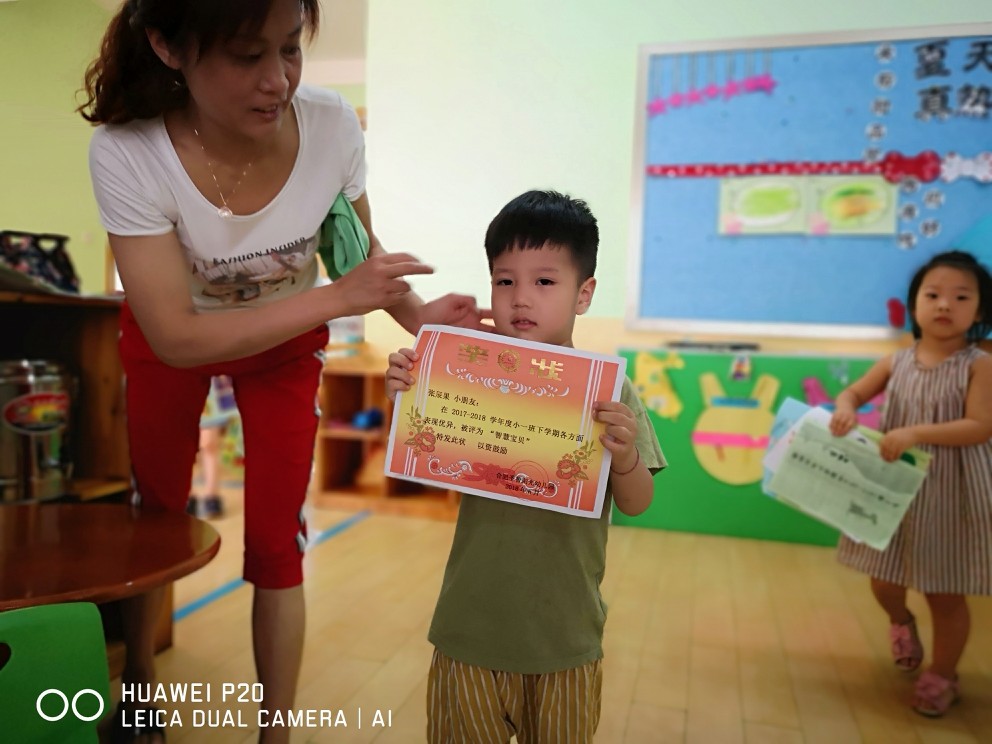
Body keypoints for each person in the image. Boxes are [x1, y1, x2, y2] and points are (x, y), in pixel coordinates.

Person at [78, 1, 486, 742]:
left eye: (290, 49)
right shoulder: (128, 151)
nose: (277, 80)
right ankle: (138, 680)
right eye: (246, 56)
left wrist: (425, 321)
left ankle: (278, 733)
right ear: (169, 47)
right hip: (176, 342)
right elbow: (175, 336)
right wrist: (337, 298)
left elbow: (357, 251)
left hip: (286, 345)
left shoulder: (330, 125)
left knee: (278, 540)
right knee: (155, 513)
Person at [385, 190, 667, 743]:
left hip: (565, 638)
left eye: (544, 281)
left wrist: (625, 455)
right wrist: (406, 394)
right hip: (467, 629)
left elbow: (638, 502)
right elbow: (419, 457)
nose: (520, 298)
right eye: (505, 280)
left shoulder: (609, 392)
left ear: (584, 294)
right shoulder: (468, 370)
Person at [829, 250, 992, 718]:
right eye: (933, 294)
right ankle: (901, 621)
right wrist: (845, 407)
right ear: (915, 304)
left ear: (979, 310)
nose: (944, 305)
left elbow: (980, 425)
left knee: (945, 591)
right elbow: (854, 392)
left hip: (951, 492)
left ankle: (943, 675)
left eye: (961, 297)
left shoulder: (979, 365)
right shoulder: (896, 361)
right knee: (884, 580)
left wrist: (916, 433)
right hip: (895, 489)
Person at [186, 375, 239, 520]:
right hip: (182, 380)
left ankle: (212, 494)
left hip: (211, 387)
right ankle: (187, 494)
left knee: (209, 443)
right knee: (183, 444)